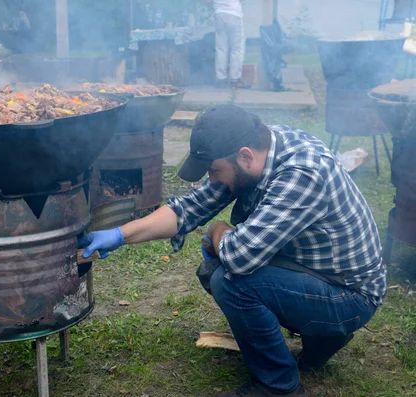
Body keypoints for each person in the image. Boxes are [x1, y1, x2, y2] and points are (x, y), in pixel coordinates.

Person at [79, 105, 386, 397]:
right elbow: (189, 208)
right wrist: (120, 235)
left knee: (231, 280)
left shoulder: (302, 173)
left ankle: (279, 385)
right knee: (215, 268)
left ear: (245, 157)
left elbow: (239, 256)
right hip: (314, 273)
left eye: (214, 170)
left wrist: (216, 229)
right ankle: (323, 335)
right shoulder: (255, 152)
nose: (211, 179)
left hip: (349, 295)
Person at [211, 0, 247, 89]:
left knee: (221, 48)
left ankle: (220, 79)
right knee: (236, 48)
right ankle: (235, 79)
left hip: (219, 13)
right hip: (233, 12)